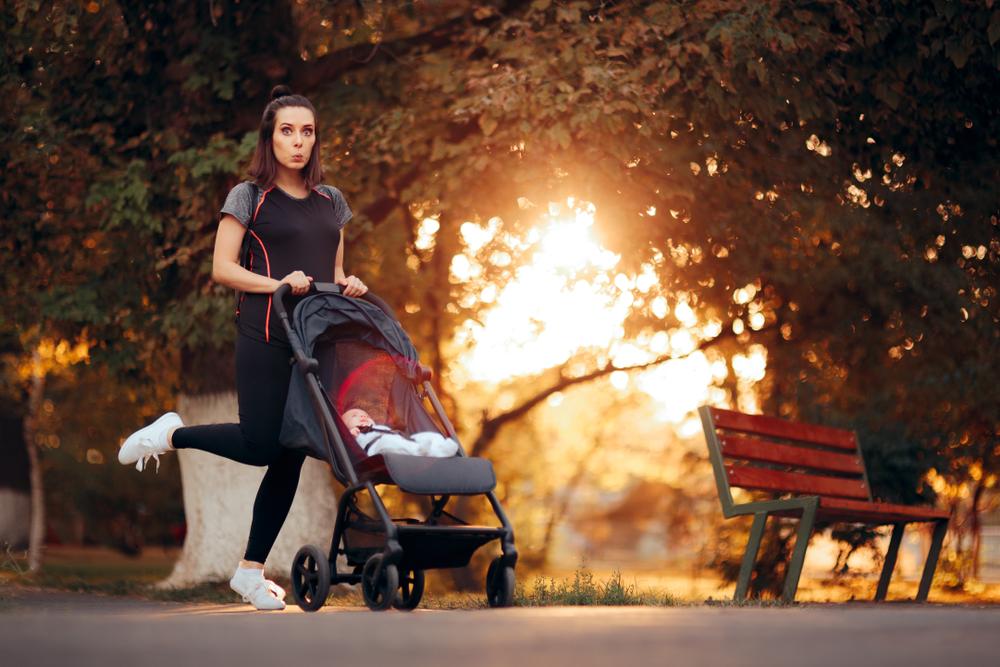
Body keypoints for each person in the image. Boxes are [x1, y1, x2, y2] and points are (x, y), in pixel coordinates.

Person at [117, 85, 367, 611]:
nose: (298, 142)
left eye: (307, 131)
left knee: (292, 452)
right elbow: (222, 268)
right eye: (287, 131)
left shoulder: (332, 202)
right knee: (260, 443)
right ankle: (173, 433)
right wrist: (279, 280)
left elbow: (335, 269)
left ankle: (250, 573)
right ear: (270, 137)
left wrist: (349, 284)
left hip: (314, 343)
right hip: (266, 334)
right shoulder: (248, 196)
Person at [341, 407, 459, 457]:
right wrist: (351, 435)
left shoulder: (379, 428)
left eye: (365, 415)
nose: (362, 416)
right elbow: (351, 443)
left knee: (428, 436)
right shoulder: (355, 433)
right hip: (378, 450)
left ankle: (441, 448)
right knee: (389, 442)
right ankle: (421, 450)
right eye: (354, 416)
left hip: (402, 440)